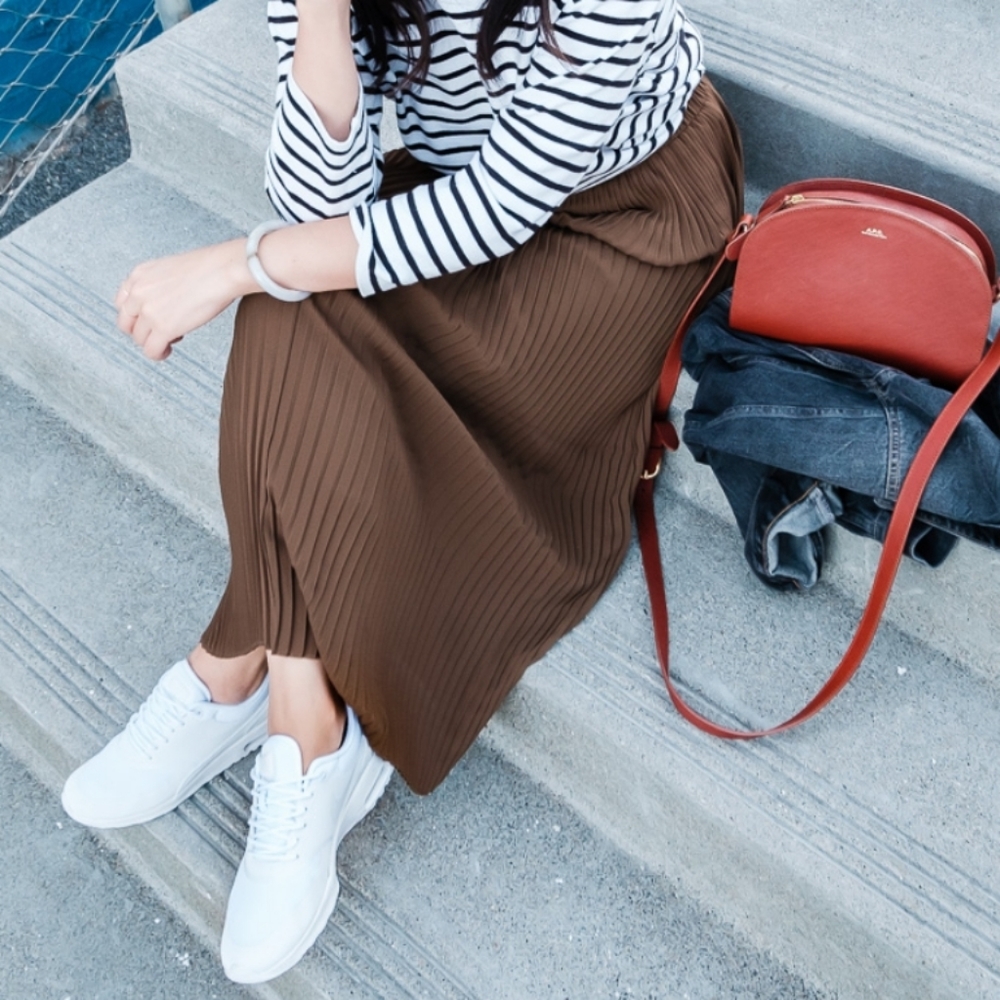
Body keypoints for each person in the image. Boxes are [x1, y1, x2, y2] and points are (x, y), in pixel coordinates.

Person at [61, 0, 743, 984]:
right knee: (290, 304)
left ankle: (234, 666)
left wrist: (235, 261)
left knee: (274, 283)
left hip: (621, 212)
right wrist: (325, 16)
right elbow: (313, 197)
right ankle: (302, 718)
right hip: (453, 186)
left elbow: (502, 207)